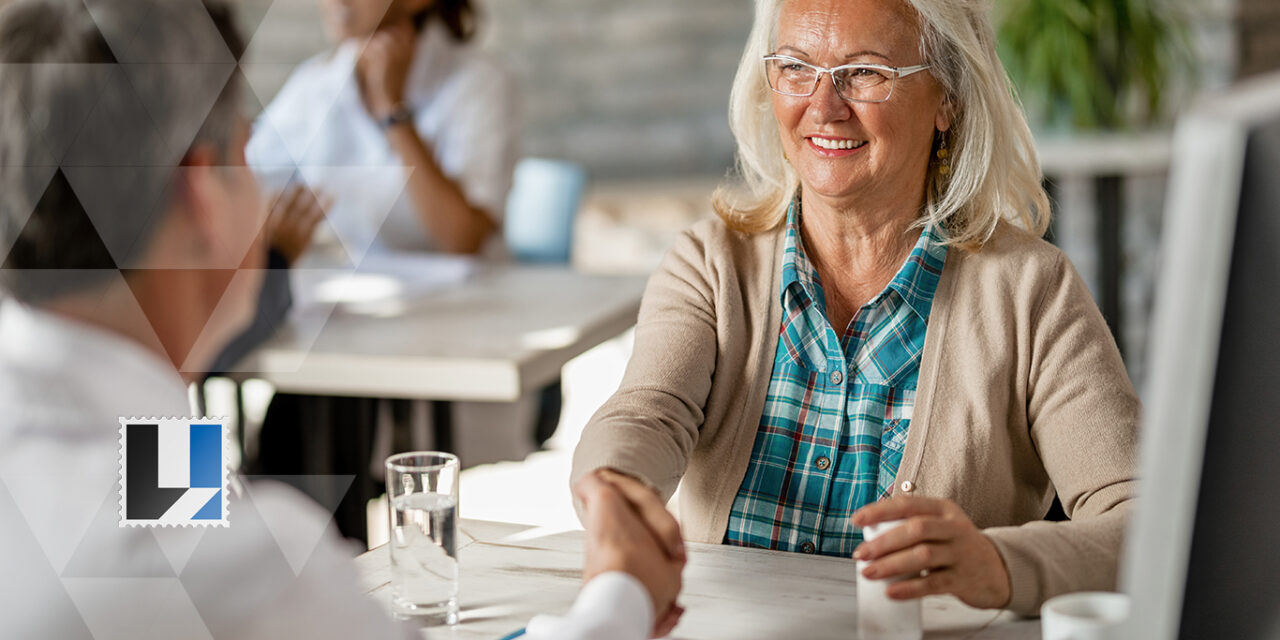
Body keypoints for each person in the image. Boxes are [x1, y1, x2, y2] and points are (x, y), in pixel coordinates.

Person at [0, 1, 680, 638]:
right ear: (203, 194)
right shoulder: (241, 565)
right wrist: (619, 593)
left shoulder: (114, 451)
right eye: (244, 151)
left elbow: (152, 469)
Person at [571, 0, 1139, 616]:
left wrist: (1000, 564)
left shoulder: (1033, 291)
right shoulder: (710, 264)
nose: (823, 106)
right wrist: (614, 490)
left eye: (865, 73)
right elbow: (647, 412)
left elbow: (1146, 521)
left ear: (947, 96)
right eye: (795, 67)